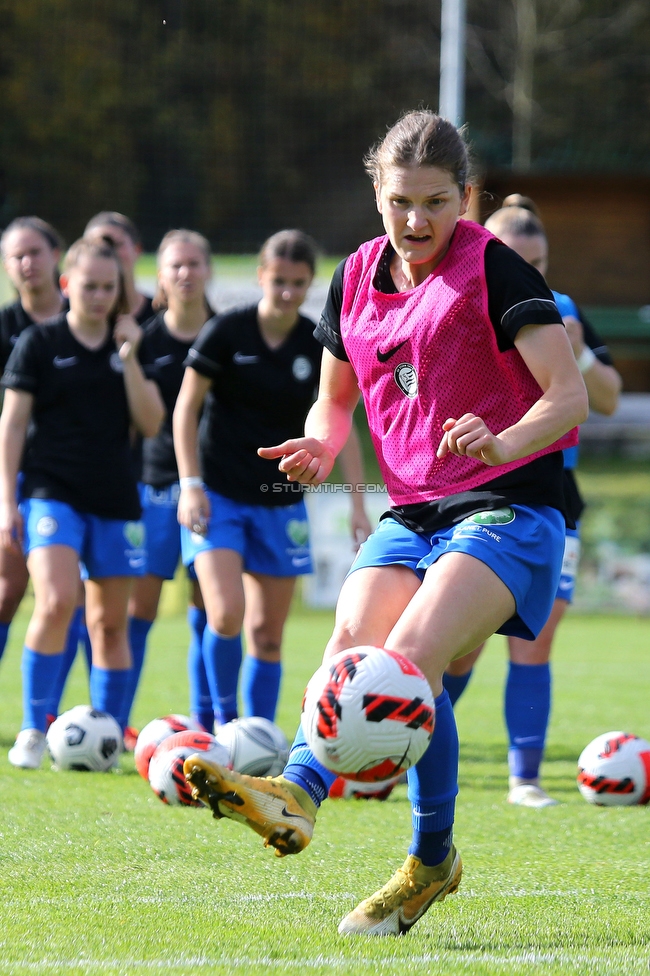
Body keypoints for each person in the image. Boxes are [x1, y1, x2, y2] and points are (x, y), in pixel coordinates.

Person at [181, 110, 588, 937]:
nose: (416, 221)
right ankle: (295, 796)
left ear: (465, 197)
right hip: (413, 510)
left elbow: (569, 397)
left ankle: (426, 859)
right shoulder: (357, 276)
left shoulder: (496, 269)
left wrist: (500, 438)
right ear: (377, 193)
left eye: (437, 202)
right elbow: (335, 406)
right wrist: (322, 447)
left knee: (406, 666)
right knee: (347, 652)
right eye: (401, 201)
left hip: (508, 504)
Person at [443, 198, 621, 807]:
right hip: (479, 494)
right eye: (517, 260)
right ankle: (396, 748)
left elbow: (610, 399)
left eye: (538, 262)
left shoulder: (559, 311)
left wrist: (581, 353)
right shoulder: (463, 307)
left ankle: (525, 778)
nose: (529, 272)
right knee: (458, 646)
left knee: (535, 639)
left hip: (551, 496)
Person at [173, 229, 371, 730]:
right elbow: (185, 409)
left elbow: (340, 421)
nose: (286, 291)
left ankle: (257, 734)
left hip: (282, 501)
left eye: (297, 283)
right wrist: (190, 484)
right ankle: (220, 725)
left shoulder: (318, 342)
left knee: (267, 634)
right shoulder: (225, 332)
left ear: (309, 284)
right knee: (224, 614)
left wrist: (357, 502)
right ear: (261, 275)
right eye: (278, 280)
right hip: (217, 496)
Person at [0, 237, 164, 768]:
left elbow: (152, 423)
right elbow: (13, 425)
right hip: (51, 495)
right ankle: (32, 727)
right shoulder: (39, 343)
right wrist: (7, 503)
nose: (97, 296)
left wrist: (131, 358)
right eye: (88, 286)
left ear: (120, 292)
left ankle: (107, 737)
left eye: (107, 287)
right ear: (67, 284)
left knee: (110, 625)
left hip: (116, 501)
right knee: (54, 600)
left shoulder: (132, 345)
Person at [123, 229, 215, 737]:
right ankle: (115, 723)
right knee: (140, 608)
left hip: (210, 491)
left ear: (207, 271)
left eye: (194, 263)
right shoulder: (146, 340)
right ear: (160, 275)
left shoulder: (226, 333)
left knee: (208, 607)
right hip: (154, 489)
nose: (185, 273)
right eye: (175, 265)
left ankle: (207, 722)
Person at [0, 218, 69, 667]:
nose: (27, 264)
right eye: (16, 256)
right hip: (18, 474)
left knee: (77, 601)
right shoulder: (5, 326)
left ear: (55, 256)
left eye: (35, 253)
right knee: (7, 589)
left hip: (80, 477)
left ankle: (70, 717)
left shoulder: (87, 316)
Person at [84, 212, 154, 325]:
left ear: (137, 250)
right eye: (98, 247)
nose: (109, 253)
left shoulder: (161, 315)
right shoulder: (67, 319)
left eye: (118, 244)